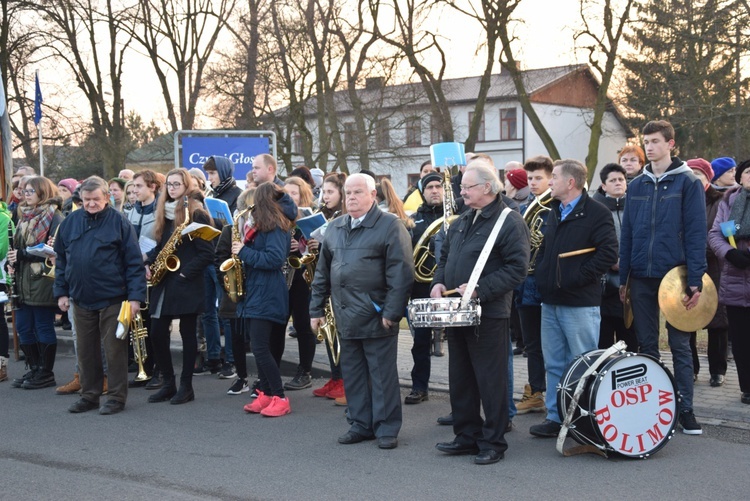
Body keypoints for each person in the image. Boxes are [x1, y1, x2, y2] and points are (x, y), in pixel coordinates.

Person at [431, 163, 529, 465]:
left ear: (487, 187)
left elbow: (517, 268)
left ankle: (493, 441)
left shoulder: (509, 221)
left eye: (467, 187)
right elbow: (446, 254)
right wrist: (439, 282)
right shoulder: (464, 219)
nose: (461, 191)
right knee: (461, 377)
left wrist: (480, 290)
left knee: (491, 380)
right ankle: (466, 436)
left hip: (489, 312)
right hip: (457, 311)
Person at [310, 173, 413, 449]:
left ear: (373, 196)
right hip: (345, 315)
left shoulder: (390, 226)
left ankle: (386, 428)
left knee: (381, 377)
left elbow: (401, 275)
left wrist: (392, 312)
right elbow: (322, 272)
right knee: (353, 375)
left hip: (377, 316)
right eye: (348, 193)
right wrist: (315, 309)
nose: (351, 197)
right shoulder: (335, 227)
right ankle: (360, 424)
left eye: (358, 192)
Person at [619, 120, 707, 435]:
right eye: (646, 141)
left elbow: (697, 232)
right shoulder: (637, 184)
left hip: (676, 276)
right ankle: (652, 407)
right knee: (646, 345)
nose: (649, 147)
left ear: (671, 143)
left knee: (680, 346)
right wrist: (624, 278)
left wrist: (695, 277)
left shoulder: (688, 182)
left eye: (655, 141)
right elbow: (627, 233)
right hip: (641, 275)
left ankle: (686, 410)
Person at [529, 159, 618, 438]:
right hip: (551, 301)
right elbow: (545, 250)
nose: (549, 181)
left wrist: (575, 279)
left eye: (554, 177)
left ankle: (580, 421)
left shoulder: (597, 212)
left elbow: (607, 254)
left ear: (570, 182)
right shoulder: (553, 210)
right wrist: (544, 276)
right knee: (554, 363)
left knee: (581, 364)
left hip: (580, 303)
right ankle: (555, 418)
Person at [54, 176, 146, 415]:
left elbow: (133, 263)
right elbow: (62, 261)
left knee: (114, 351)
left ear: (107, 197)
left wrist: (136, 298)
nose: (91, 204)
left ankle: (116, 397)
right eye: (86, 199)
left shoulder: (120, 223)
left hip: (113, 298)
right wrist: (61, 292)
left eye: (96, 199)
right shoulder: (69, 222)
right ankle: (89, 395)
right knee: (85, 351)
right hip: (80, 298)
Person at [144, 168, 215, 405]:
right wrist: (148, 261)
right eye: (169, 185)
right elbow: (161, 245)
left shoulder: (197, 215)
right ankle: (168, 382)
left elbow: (207, 253)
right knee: (156, 332)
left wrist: (185, 273)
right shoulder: (165, 212)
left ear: (187, 186)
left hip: (186, 282)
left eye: (177, 184)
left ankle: (186, 386)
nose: (172, 188)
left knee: (187, 334)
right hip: (164, 280)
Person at [236, 182, 297, 417]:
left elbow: (273, 259)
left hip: (267, 292)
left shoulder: (275, 227)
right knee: (259, 346)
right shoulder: (265, 227)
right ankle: (267, 393)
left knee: (261, 348)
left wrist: (243, 251)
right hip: (258, 291)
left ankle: (280, 396)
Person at [7, 176, 63, 390]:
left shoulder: (55, 216)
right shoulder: (22, 215)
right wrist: (11, 262)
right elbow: (16, 248)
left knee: (42, 326)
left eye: (30, 191)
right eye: (24, 191)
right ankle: (34, 367)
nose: (25, 194)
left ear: (42, 192)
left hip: (42, 280)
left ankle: (46, 372)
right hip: (22, 280)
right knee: (23, 327)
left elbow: (54, 251)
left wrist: (21, 254)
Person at [515, 155, 554, 415]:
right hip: (524, 283)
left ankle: (547, 390)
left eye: (539, 177)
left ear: (551, 178)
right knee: (531, 342)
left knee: (549, 342)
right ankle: (536, 389)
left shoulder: (556, 206)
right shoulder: (524, 206)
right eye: (530, 178)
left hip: (545, 282)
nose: (533, 182)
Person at [709, 159, 750, 405]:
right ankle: (747, 388)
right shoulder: (730, 201)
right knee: (742, 341)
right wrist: (729, 253)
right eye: (748, 172)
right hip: (735, 279)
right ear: (741, 177)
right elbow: (716, 234)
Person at [687, 158, 728, 387]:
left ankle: (718, 370)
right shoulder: (680, 199)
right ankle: (691, 368)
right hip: (685, 268)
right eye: (690, 172)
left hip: (714, 268)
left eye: (698, 173)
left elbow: (722, 233)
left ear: (708, 177)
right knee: (686, 317)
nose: (694, 176)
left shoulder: (720, 201)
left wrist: (701, 251)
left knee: (717, 322)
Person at [406, 172, 444, 404]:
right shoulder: (413, 220)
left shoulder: (458, 216)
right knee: (420, 341)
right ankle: (420, 386)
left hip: (450, 287)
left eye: (438, 186)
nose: (434, 190)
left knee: (461, 344)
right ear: (422, 192)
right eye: (429, 187)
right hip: (421, 288)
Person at [591, 163, 637, 352]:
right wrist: (610, 261)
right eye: (613, 180)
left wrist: (627, 263)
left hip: (632, 281)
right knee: (604, 340)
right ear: (604, 185)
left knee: (630, 337)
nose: (618, 183)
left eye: (621, 179)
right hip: (604, 284)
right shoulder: (596, 210)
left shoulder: (635, 206)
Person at [124, 170, 163, 390]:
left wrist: (148, 260)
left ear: (152, 187)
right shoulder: (130, 212)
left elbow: (163, 241)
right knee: (139, 325)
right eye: (133, 187)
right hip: (135, 272)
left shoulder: (161, 211)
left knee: (155, 325)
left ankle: (159, 370)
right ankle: (144, 369)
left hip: (153, 272)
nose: (134, 191)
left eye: (138, 186)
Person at [310, 172, 347, 400]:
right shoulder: (321, 215)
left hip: (340, 285)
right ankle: (335, 378)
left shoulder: (343, 218)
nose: (325, 196)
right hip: (324, 282)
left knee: (340, 336)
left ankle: (345, 382)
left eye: (330, 192)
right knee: (329, 333)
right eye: (323, 191)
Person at [282, 177, 318, 391]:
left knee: (303, 325)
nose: (289, 197)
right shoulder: (278, 217)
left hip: (302, 278)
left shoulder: (308, 217)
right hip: (281, 277)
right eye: (286, 193)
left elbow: (317, 250)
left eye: (294, 193)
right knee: (278, 324)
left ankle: (305, 371)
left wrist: (302, 247)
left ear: (302, 195)